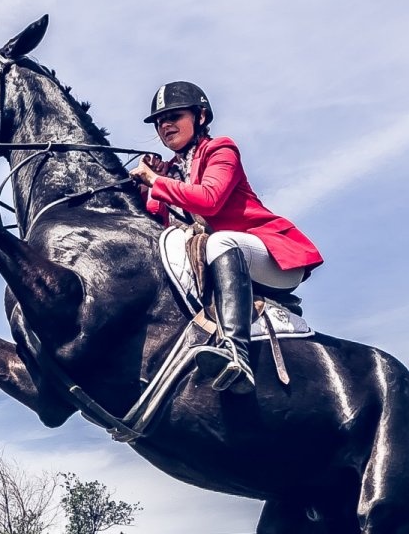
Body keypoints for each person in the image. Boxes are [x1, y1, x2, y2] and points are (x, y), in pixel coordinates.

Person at [130, 81, 323, 393]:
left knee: (221, 242)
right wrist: (146, 187)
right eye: (159, 121)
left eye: (174, 116)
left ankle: (236, 353)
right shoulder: (173, 170)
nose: (165, 125)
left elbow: (209, 199)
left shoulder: (221, 148)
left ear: (201, 116)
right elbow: (161, 222)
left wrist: (155, 180)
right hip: (225, 264)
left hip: (270, 257)